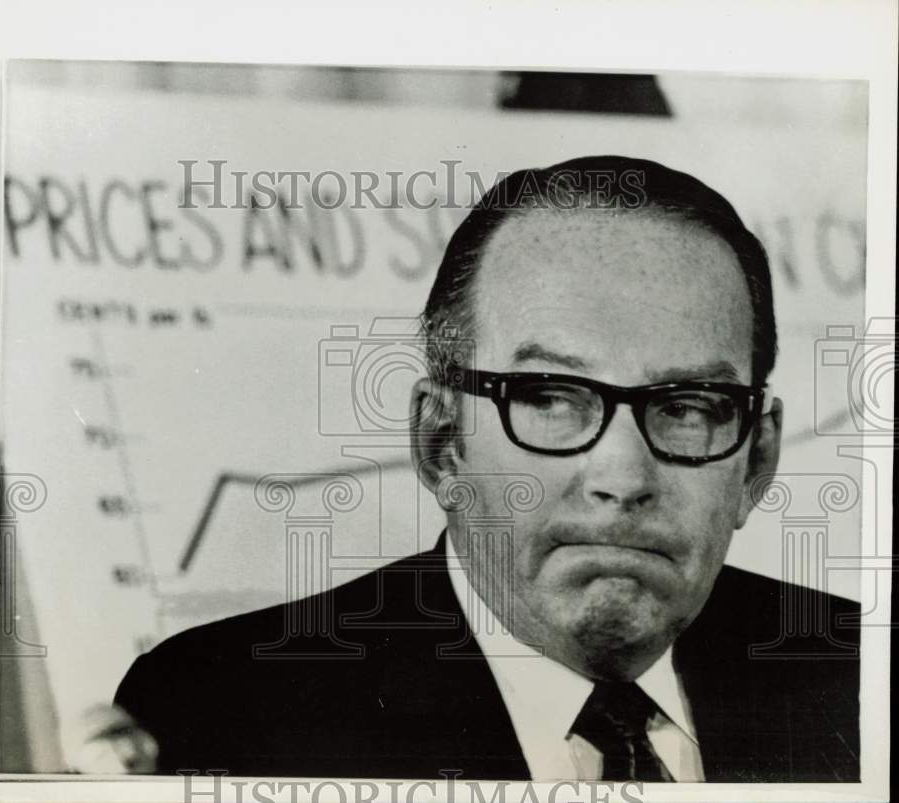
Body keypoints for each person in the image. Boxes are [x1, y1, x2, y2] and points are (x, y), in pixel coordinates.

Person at [109, 156, 859, 782]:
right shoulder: (220, 715)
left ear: (756, 460)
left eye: (689, 405)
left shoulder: (862, 680)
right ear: (442, 444)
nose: (624, 476)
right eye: (551, 398)